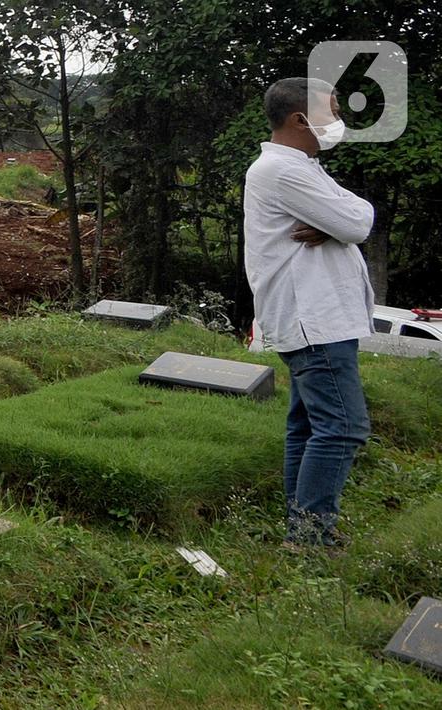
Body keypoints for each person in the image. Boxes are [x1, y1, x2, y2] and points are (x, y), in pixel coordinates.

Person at [244, 77, 374, 551]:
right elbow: (357, 222)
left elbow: (354, 213)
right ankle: (309, 536)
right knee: (343, 427)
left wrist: (334, 223)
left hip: (314, 318)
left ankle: (302, 530)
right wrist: (337, 223)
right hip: (313, 319)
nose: (338, 120)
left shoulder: (301, 167)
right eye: (334, 110)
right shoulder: (284, 171)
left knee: (307, 426)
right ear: (301, 119)